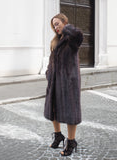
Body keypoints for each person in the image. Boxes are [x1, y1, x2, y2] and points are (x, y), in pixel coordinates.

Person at [44, 13, 83, 156]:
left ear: (65, 22)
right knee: (53, 109)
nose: (56, 27)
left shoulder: (71, 40)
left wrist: (66, 28)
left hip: (68, 83)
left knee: (70, 112)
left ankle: (71, 141)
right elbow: (52, 61)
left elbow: (78, 34)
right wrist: (49, 73)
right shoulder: (55, 41)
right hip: (54, 81)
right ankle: (58, 135)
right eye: (54, 25)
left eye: (58, 23)